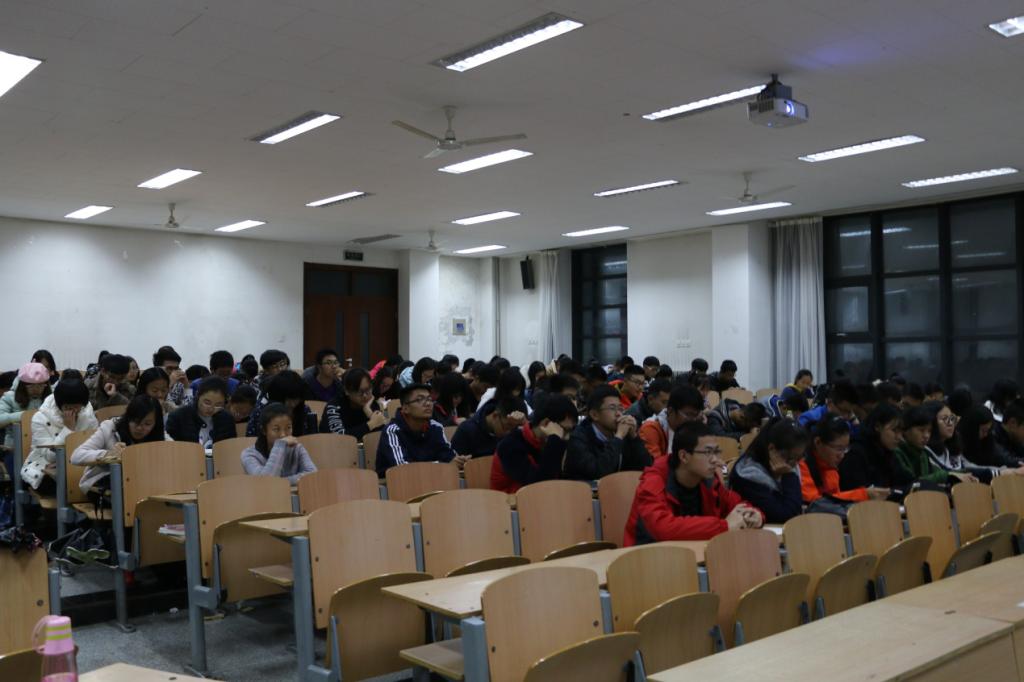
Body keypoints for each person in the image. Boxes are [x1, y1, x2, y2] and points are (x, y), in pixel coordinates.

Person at [624, 421, 763, 545]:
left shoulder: (709, 480)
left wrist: (755, 515)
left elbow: (737, 503)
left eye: (716, 452)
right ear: (684, 456)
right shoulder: (654, 481)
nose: (715, 460)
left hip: (694, 554)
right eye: (708, 453)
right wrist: (724, 526)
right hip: (648, 557)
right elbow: (663, 528)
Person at [71, 395, 167, 495]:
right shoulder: (109, 427)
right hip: (103, 487)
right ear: (128, 417)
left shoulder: (159, 435)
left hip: (142, 487)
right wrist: (108, 454)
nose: (139, 428)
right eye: (136, 421)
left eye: (147, 424)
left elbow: (174, 455)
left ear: (156, 424)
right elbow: (76, 456)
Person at [490, 393, 577, 493]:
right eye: (564, 430)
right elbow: (539, 485)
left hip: (542, 499)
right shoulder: (510, 445)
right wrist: (554, 440)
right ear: (546, 423)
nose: (567, 436)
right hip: (509, 501)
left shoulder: (554, 442)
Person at [22, 378, 98, 493]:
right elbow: (49, 456)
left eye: (77, 407)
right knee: (67, 484)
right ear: (59, 404)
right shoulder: (40, 418)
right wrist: (68, 429)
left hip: (81, 464)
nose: (74, 411)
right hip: (45, 466)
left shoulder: (87, 413)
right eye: (68, 407)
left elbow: (95, 443)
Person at [564, 385, 652, 481]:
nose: (618, 413)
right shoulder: (578, 438)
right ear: (594, 415)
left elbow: (647, 467)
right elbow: (599, 473)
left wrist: (634, 437)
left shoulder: (624, 435)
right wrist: (618, 438)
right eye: (612, 408)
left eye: (620, 408)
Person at [729, 418, 808, 523]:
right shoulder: (748, 474)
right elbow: (787, 516)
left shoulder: (788, 467)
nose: (795, 465)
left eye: (799, 458)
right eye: (791, 458)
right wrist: (789, 476)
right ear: (772, 449)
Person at [800, 415, 890, 504]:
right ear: (818, 442)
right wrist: (863, 494)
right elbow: (816, 503)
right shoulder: (802, 466)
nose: (842, 455)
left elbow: (835, 503)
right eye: (839, 449)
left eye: (845, 449)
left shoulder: (832, 468)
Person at [376, 383, 460, 478]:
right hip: (397, 483)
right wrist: (442, 465)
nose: (428, 404)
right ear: (405, 408)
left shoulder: (436, 427)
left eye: (429, 399)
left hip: (431, 479)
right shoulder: (392, 431)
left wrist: (458, 461)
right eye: (420, 400)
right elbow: (403, 468)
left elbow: (449, 456)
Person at [926, 402, 1022, 483]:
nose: (950, 423)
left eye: (952, 418)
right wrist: (1004, 472)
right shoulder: (926, 451)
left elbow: (969, 467)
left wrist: (1007, 471)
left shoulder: (951, 448)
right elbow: (956, 472)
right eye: (944, 419)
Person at [839, 403, 912, 492]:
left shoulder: (887, 451)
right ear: (877, 426)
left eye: (901, 432)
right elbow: (859, 492)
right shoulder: (856, 453)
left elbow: (906, 480)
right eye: (895, 431)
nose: (899, 437)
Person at [241, 402, 317, 484]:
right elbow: (266, 482)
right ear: (264, 430)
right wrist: (280, 445)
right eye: (276, 429)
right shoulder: (249, 455)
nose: (283, 435)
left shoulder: (297, 448)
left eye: (288, 427)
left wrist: (282, 482)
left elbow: (312, 474)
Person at [893, 406, 969, 487]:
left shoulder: (923, 453)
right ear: (905, 431)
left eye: (929, 431)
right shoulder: (897, 453)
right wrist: (947, 476)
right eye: (921, 430)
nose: (926, 436)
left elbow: (940, 472)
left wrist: (966, 473)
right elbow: (912, 482)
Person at [0, 363, 52, 479]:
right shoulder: (10, 397)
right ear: (23, 385)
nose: (36, 389)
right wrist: (25, 415)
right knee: (20, 477)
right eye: (31, 386)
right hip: (14, 449)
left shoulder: (52, 398)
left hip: (44, 449)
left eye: (41, 385)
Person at [320, 368, 388, 441]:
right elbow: (339, 438)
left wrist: (370, 414)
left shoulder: (371, 405)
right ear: (347, 391)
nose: (365, 395)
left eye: (367, 390)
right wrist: (370, 425)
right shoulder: (334, 406)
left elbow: (383, 437)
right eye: (359, 391)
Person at [166, 376, 236, 448]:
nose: (211, 409)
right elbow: (169, 447)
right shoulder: (179, 416)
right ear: (198, 396)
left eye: (218, 405)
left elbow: (230, 447)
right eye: (207, 403)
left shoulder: (227, 419)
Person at [638, 385, 705, 459]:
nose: (693, 420)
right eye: (689, 415)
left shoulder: (689, 429)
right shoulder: (651, 428)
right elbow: (656, 464)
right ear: (670, 411)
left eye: (696, 415)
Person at [247, 370, 318, 437]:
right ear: (278, 397)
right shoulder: (262, 410)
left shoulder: (304, 409)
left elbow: (310, 437)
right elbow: (253, 438)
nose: (293, 404)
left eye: (296, 400)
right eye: (289, 400)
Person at [451, 396, 527, 458]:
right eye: (507, 427)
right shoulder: (467, 430)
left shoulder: (513, 431)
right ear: (495, 415)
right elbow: (453, 463)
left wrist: (525, 424)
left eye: (513, 429)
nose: (508, 433)